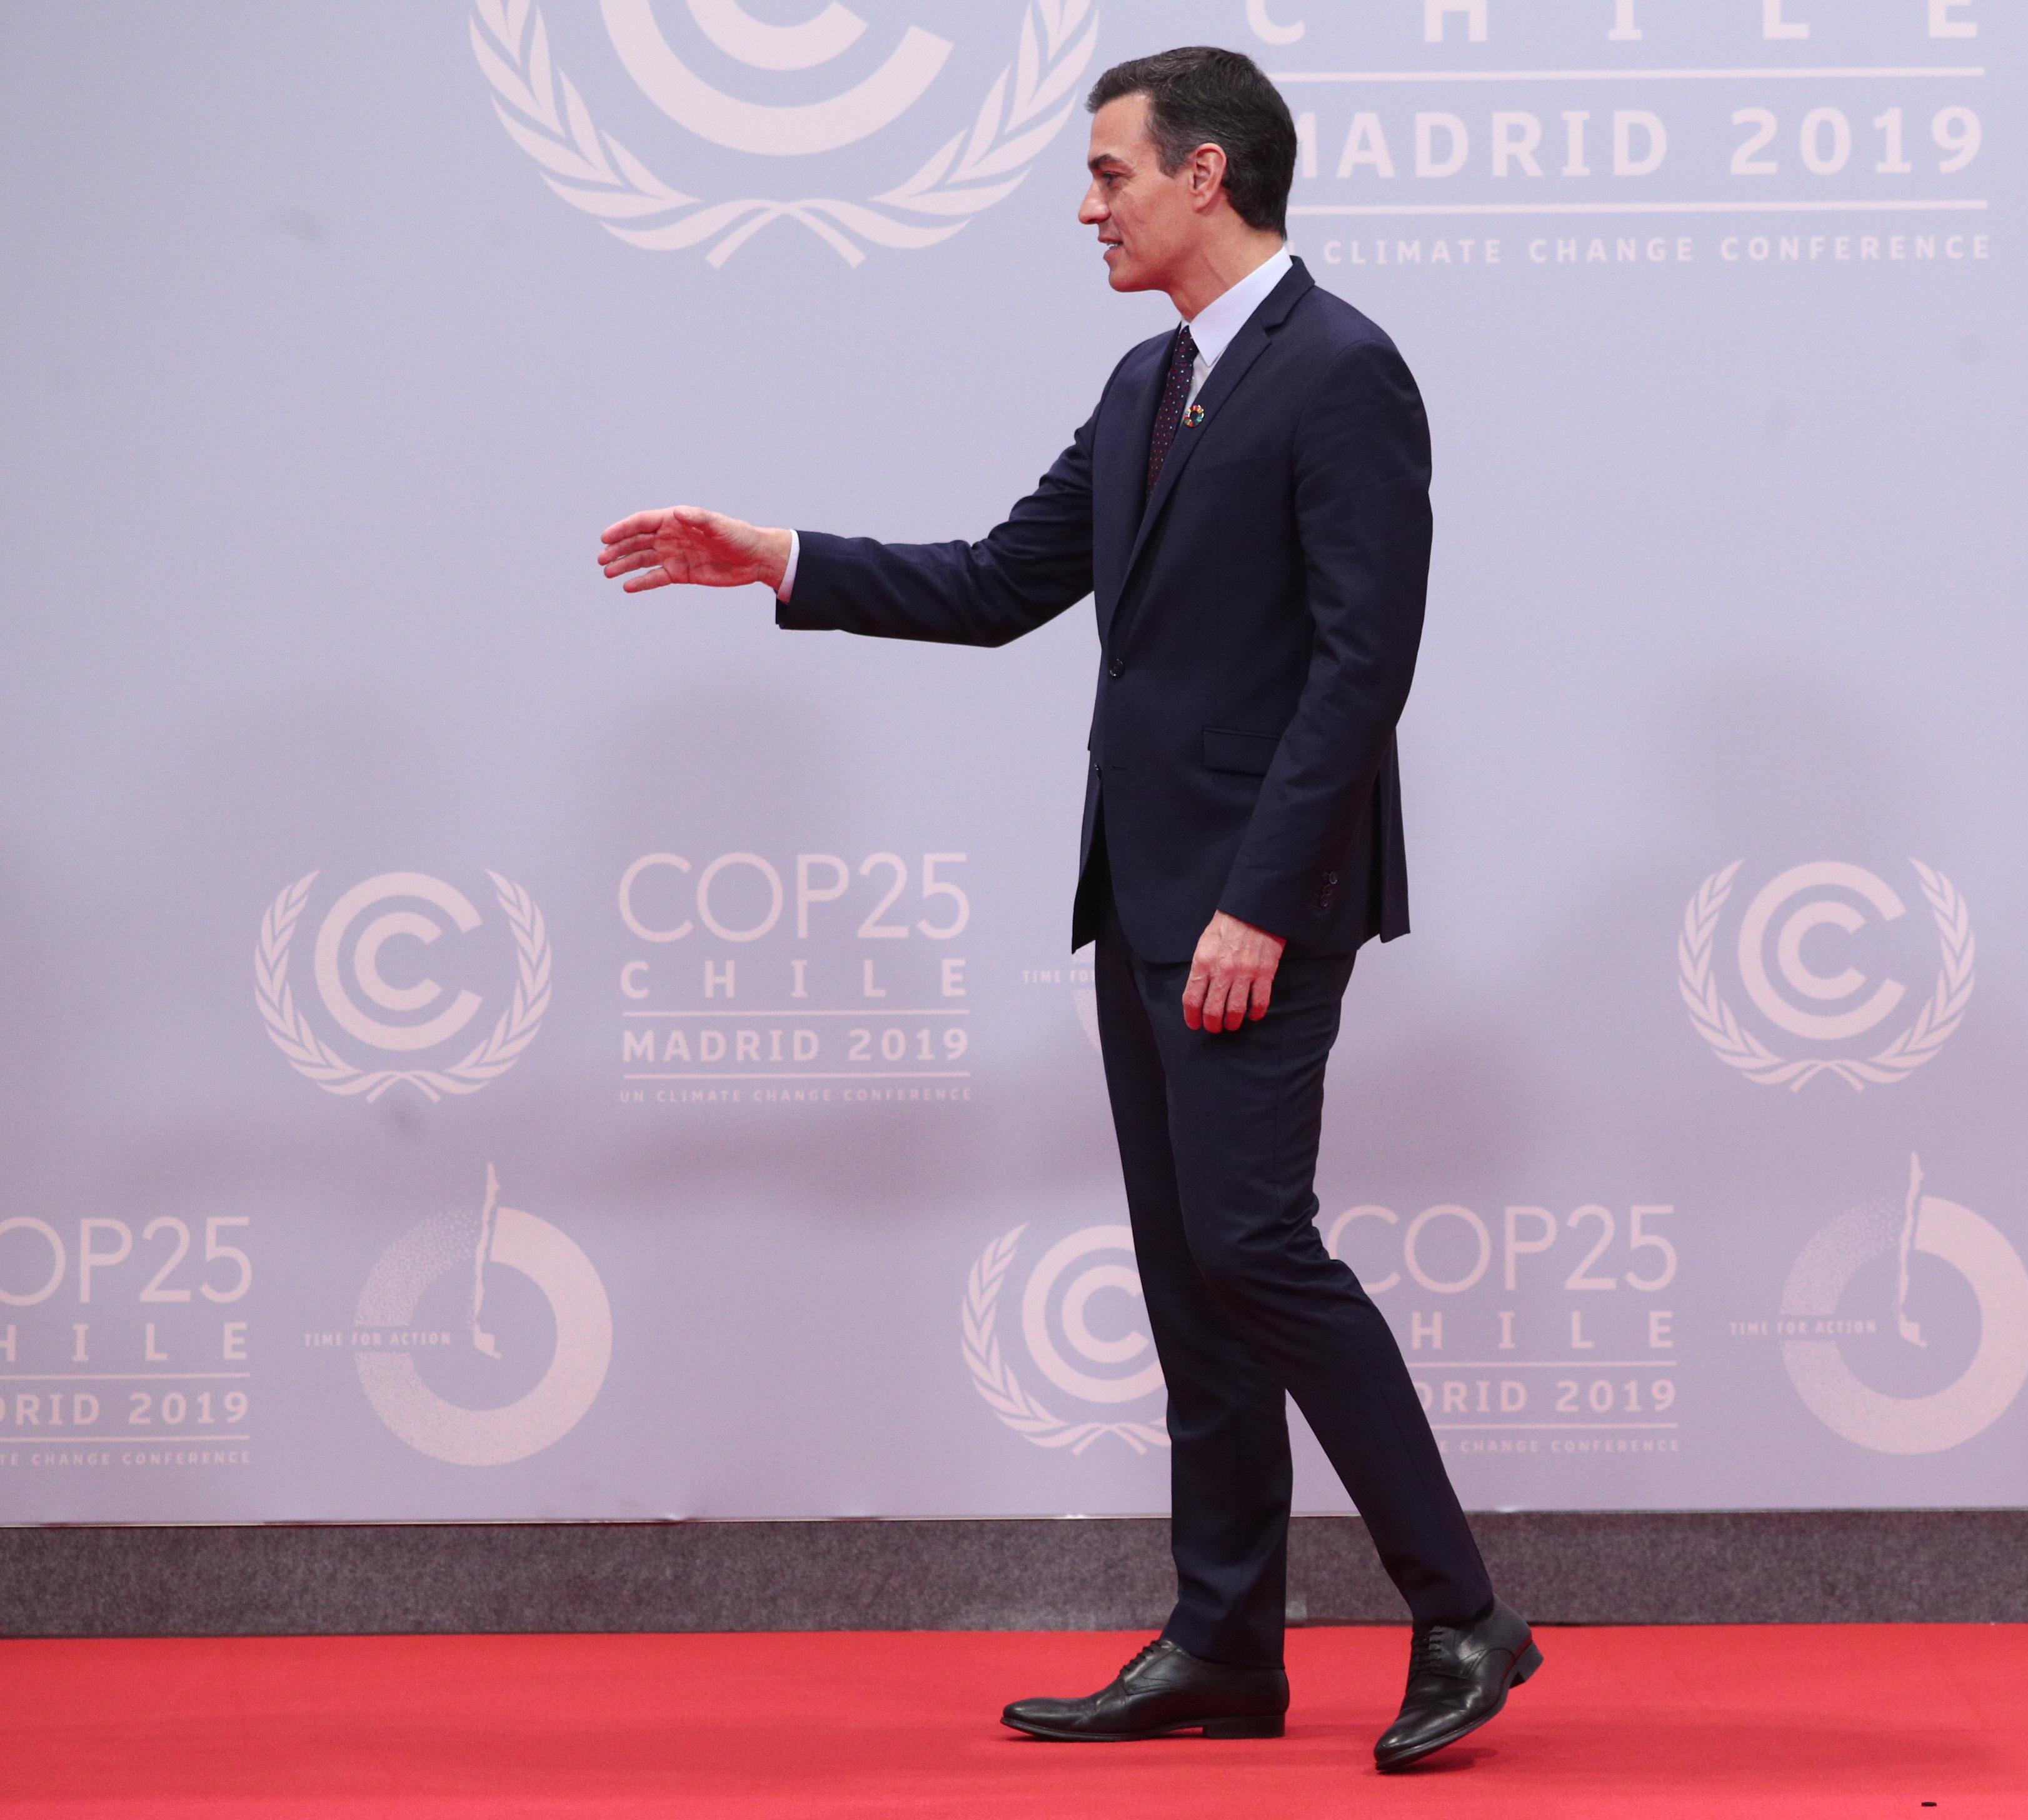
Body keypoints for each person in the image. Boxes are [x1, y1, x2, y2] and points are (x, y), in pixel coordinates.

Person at [596, 46, 1537, 1774]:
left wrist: (1265, 903)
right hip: (1144, 895)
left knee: (1256, 1247)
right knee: (1197, 1279)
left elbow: (1360, 667)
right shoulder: (1140, 388)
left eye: (1108, 175)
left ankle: (1463, 1612)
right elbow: (995, 583)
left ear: (1207, 176)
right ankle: (1223, 1646)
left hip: (1258, 905)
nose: (1085, 208)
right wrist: (778, 555)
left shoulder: (1343, 373)